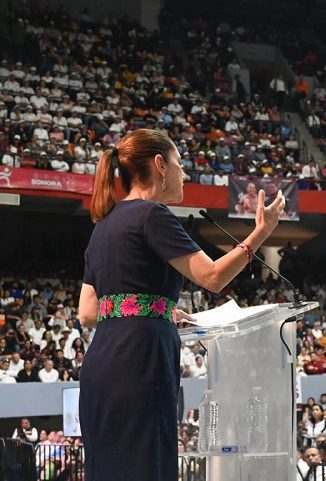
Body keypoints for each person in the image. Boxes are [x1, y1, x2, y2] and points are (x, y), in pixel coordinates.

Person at [77, 129, 285, 481]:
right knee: (147, 467)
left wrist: (158, 309)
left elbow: (88, 312)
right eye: (179, 164)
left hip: (102, 364)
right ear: (160, 165)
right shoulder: (152, 215)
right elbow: (213, 277)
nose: (184, 174)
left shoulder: (103, 225)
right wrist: (261, 232)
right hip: (142, 359)